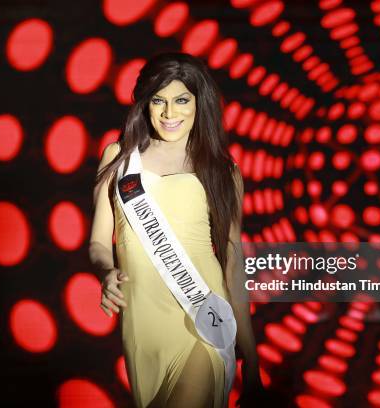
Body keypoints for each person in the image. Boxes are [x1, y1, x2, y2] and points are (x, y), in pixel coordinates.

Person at [89, 52, 264, 408]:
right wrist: (105, 271)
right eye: (159, 101)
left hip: (202, 318)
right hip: (144, 326)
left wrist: (253, 359)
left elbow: (233, 264)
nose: (170, 114)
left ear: (200, 103)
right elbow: (97, 241)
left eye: (182, 100)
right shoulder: (118, 158)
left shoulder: (221, 169)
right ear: (145, 103)